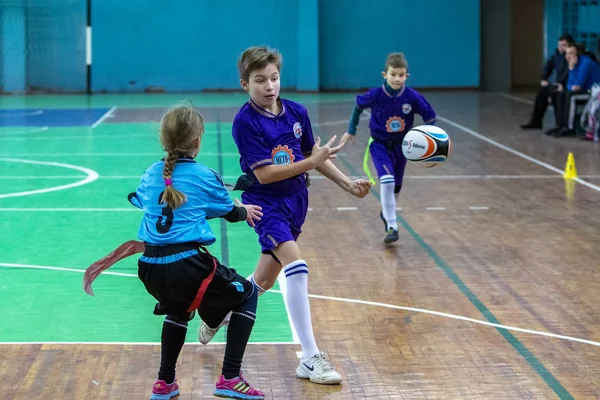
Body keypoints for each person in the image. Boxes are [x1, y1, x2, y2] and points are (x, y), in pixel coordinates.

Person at [197, 46, 372, 385]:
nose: (269, 86)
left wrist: (348, 184)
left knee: (262, 281)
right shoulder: (245, 123)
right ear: (245, 84)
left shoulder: (296, 112)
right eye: (260, 80)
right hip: (265, 205)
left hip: (296, 201)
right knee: (296, 265)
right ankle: (309, 358)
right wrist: (312, 161)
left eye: (274, 78)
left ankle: (218, 309)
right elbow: (265, 175)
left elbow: (313, 154)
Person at [82, 103, 266, 400]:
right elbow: (229, 211)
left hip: (150, 267)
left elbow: (144, 200)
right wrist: (246, 211)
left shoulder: (151, 173)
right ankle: (230, 377)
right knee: (247, 293)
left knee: (179, 309)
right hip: (187, 265)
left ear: (164, 140)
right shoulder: (205, 175)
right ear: (197, 141)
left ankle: (165, 383)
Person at [338, 52, 436, 244]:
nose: (397, 78)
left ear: (406, 76)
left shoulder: (412, 97)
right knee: (388, 180)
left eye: (401, 75)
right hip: (380, 145)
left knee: (396, 187)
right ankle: (393, 226)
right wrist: (351, 130)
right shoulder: (375, 95)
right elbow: (358, 106)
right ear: (385, 75)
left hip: (403, 147)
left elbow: (430, 118)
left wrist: (430, 139)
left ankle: (386, 213)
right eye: (393, 74)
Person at [521, 34, 574, 130]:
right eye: (559, 45)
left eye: (564, 45)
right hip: (558, 83)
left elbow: (569, 71)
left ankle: (560, 125)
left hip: (568, 84)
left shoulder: (572, 56)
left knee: (556, 95)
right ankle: (536, 122)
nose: (561, 48)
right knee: (542, 92)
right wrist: (544, 78)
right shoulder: (557, 54)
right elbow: (548, 66)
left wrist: (560, 83)